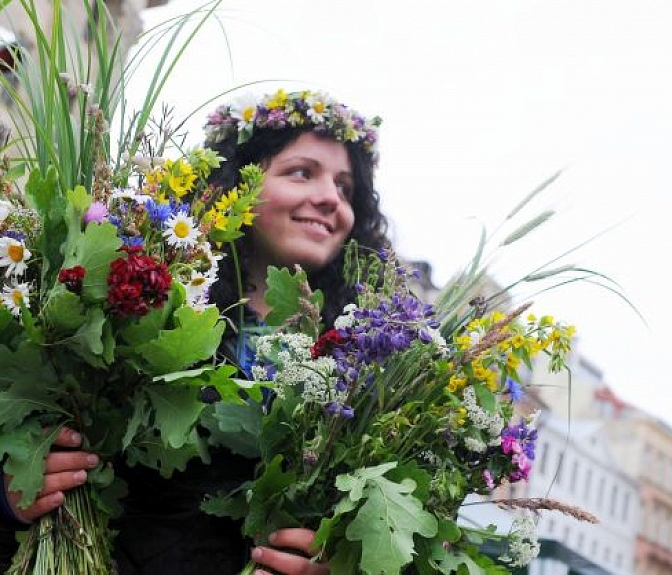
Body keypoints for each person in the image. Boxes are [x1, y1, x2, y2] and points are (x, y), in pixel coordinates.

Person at [0, 88, 390, 574]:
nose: (330, 198)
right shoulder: (147, 308)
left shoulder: (375, 363)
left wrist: (345, 559)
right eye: (301, 172)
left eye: (346, 188)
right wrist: (14, 492)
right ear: (236, 187)